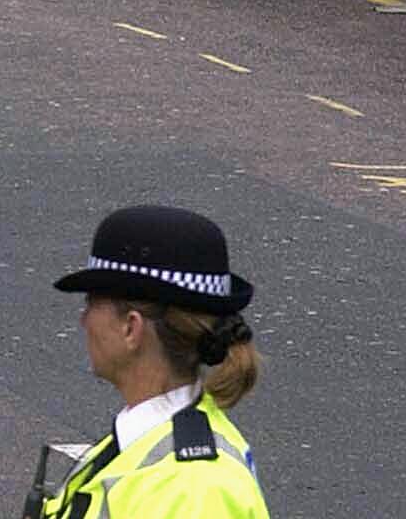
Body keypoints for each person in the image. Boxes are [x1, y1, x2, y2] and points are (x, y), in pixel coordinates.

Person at [42, 207, 267, 519]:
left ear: (130, 328)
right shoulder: (148, 441)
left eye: (91, 303)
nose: (83, 320)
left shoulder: (192, 490)